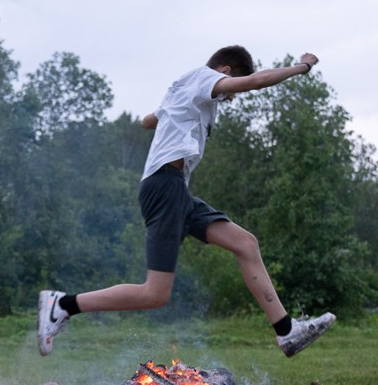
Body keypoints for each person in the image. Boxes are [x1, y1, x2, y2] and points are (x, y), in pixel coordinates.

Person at [37, 45, 336, 357]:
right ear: (226, 72)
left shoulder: (185, 88)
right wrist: (302, 67)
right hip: (164, 187)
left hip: (176, 189)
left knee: (245, 243)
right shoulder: (205, 78)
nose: (231, 98)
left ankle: (286, 331)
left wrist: (165, 113)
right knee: (155, 293)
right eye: (232, 89)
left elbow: (145, 121)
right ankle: (62, 303)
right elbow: (256, 82)